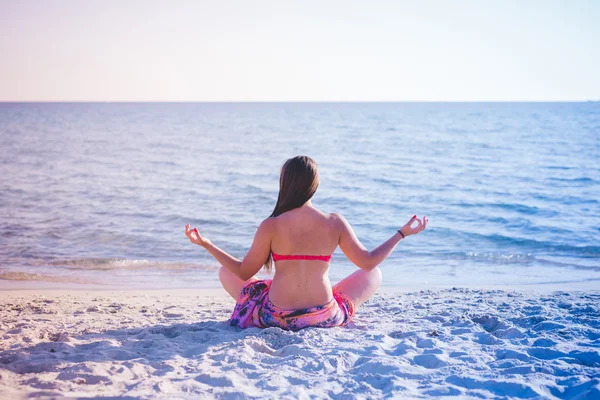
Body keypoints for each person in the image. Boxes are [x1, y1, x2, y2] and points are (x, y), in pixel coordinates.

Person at [185, 156, 427, 331]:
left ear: (285, 184)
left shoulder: (271, 225)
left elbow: (243, 271)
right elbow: (368, 262)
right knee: (374, 273)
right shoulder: (334, 222)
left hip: (275, 317)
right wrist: (401, 233)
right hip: (323, 316)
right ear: (314, 185)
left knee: (227, 272)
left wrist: (207, 244)